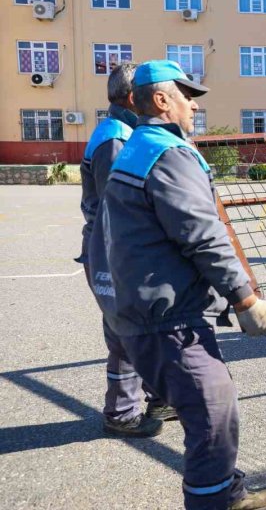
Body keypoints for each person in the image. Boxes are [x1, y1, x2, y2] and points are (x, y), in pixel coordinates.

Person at [101, 60, 266, 510]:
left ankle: (227, 492)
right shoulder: (167, 154)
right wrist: (244, 300)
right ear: (162, 101)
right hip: (166, 318)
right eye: (187, 97)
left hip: (150, 308)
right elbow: (202, 236)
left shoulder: (142, 146)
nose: (195, 107)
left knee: (211, 408)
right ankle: (216, 503)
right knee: (210, 414)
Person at [77, 62, 175, 437]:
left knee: (145, 326)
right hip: (113, 250)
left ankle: (159, 398)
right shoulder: (115, 138)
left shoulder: (126, 131)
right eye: (157, 92)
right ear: (136, 98)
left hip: (121, 248)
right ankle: (121, 414)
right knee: (126, 331)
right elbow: (117, 208)